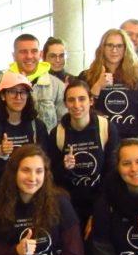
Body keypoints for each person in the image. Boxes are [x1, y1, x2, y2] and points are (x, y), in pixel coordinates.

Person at [0, 71, 50, 205]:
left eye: (23, 92)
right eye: (13, 92)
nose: (18, 97)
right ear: (3, 95)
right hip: (0, 198)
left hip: (32, 196)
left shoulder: (38, 127)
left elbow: (46, 164)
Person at [47, 77, 113, 224]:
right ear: (65, 104)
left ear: (91, 101)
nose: (77, 105)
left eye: (82, 99)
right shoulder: (57, 133)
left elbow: (112, 170)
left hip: (101, 200)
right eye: (71, 100)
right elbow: (51, 175)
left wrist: (100, 209)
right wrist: (64, 167)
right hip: (70, 205)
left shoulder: (106, 128)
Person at [80, 29, 138, 145]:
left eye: (119, 46)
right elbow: (79, 110)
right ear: (102, 47)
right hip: (100, 141)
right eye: (110, 45)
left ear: (126, 48)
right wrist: (97, 86)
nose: (114, 50)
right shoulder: (87, 76)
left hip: (135, 141)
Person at [0, 33, 66, 131]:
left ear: (40, 54)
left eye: (34, 51)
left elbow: (64, 123)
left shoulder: (57, 85)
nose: (29, 56)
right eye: (23, 52)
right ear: (14, 56)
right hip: (9, 144)